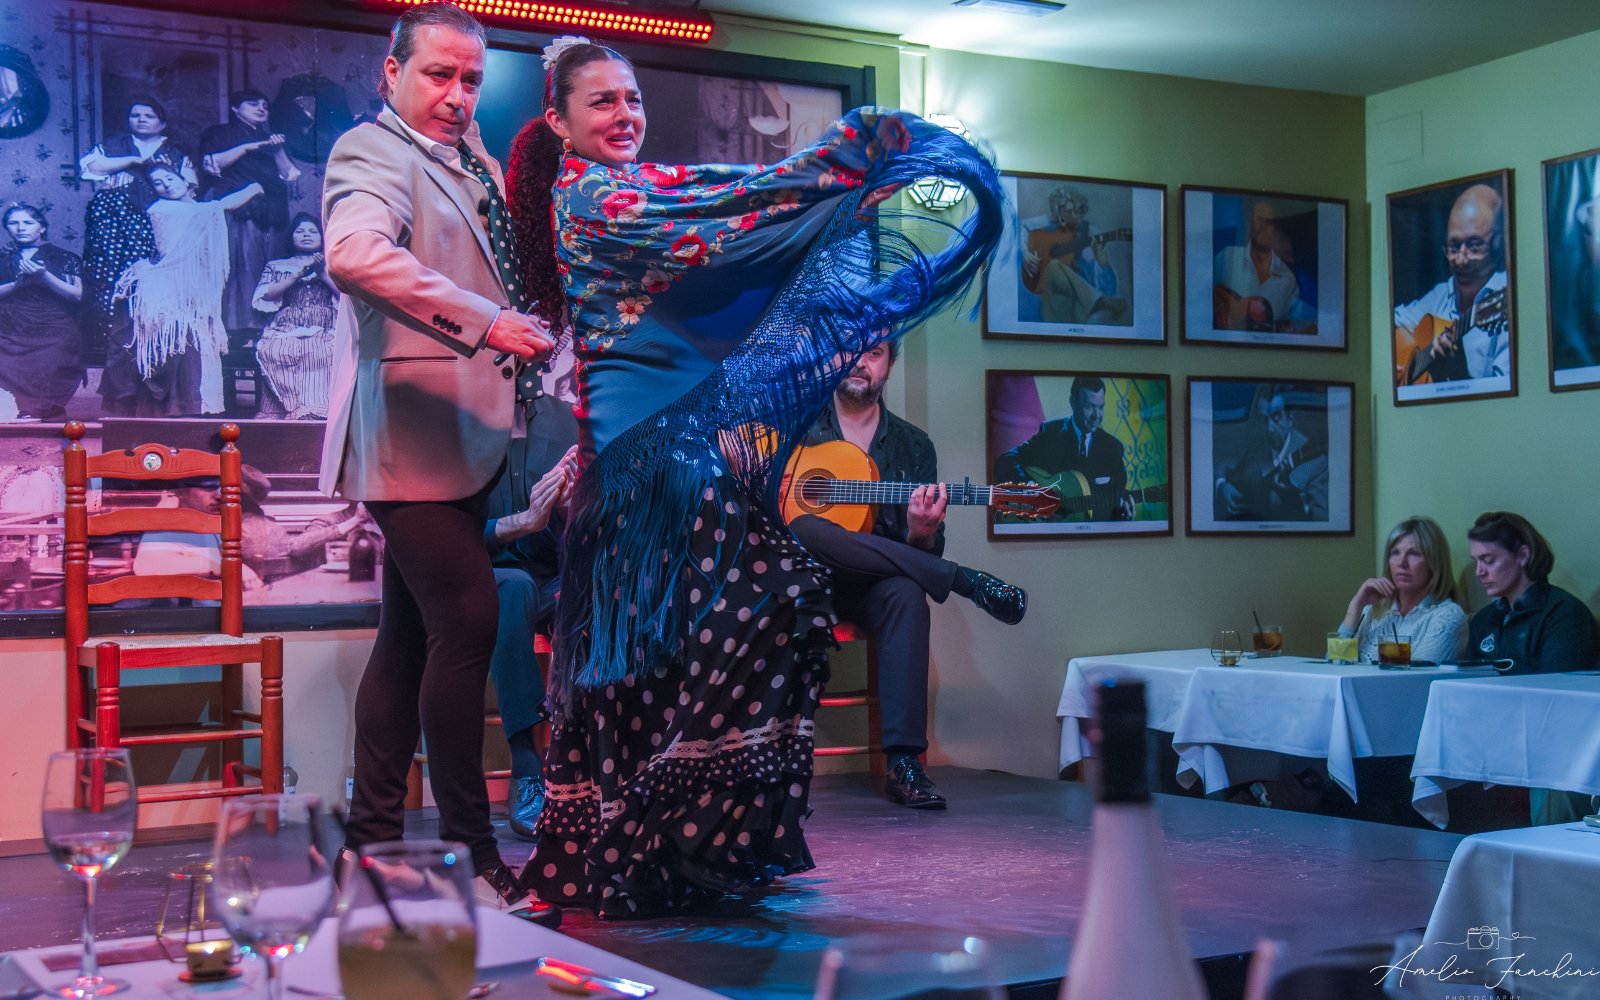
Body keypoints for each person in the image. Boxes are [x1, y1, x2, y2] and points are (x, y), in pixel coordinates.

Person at [506, 36, 1000, 917]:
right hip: (645, 479)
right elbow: (731, 208)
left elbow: (720, 221)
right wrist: (842, 162)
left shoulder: (639, 192)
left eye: (632, 99)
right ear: (560, 122)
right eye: (602, 103)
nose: (625, 116)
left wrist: (840, 185)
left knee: (745, 625)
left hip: (681, 470)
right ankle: (648, 855)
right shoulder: (591, 195)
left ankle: (689, 855)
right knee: (658, 664)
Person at [318, 2, 556, 908]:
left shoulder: (475, 163)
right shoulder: (369, 153)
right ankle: (470, 854)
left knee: (409, 635)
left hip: (465, 436)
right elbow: (356, 254)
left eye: (470, 80)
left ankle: (366, 850)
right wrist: (487, 320)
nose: (457, 96)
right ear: (391, 72)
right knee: (468, 620)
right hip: (406, 438)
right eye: (438, 75)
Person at [792, 340, 1025, 809]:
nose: (859, 360)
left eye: (874, 352)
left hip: (870, 585)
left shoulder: (914, 446)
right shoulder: (797, 427)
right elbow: (771, 509)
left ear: (890, 365)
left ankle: (903, 763)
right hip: (802, 579)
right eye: (850, 349)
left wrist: (921, 533)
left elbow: (919, 548)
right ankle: (961, 580)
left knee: (904, 593)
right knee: (807, 525)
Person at [484, 387, 580, 841]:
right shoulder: (460, 419)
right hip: (489, 573)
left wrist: (570, 506)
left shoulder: (566, 419)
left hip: (554, 572)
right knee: (514, 588)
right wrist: (515, 524)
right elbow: (444, 526)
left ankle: (584, 766)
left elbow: (598, 516)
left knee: (593, 595)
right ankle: (527, 769)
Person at [1465, 511, 1600, 824]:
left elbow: (1559, 701)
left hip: (1553, 744)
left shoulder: (1564, 614)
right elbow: (1469, 687)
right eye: (1476, 562)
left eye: (1489, 559)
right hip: (1491, 736)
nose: (1480, 572)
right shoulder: (1484, 620)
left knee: (1553, 782)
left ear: (1523, 555)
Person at [114, 163, 263, 416]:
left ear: (185, 180)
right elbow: (222, 206)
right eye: (158, 183)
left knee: (199, 341)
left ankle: (199, 406)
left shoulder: (198, 209)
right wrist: (254, 187)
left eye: (169, 178)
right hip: (170, 286)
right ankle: (177, 406)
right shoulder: (163, 209)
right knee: (179, 342)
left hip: (195, 290)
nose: (166, 185)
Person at [199, 88, 301, 331]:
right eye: (252, 104)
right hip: (239, 210)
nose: (260, 108)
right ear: (235, 108)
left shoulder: (272, 138)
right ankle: (238, 327)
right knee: (241, 266)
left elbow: (290, 175)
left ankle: (268, 327)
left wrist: (276, 149)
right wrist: (247, 147)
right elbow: (212, 165)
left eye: (264, 105)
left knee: (268, 266)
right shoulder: (220, 133)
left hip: (272, 212)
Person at [1395, 184, 1510, 385]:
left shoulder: (1506, 295)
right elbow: (1393, 321)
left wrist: (1457, 374)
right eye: (1454, 247)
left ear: (1498, 244)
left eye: (1474, 246)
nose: (1461, 259)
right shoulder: (1442, 294)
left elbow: (1507, 397)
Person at [992, 375, 1132, 521]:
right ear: (1073, 402)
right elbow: (1006, 460)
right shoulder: (1051, 432)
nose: (1096, 416)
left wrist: (1121, 513)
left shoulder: (1113, 448)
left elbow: (1117, 497)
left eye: (1101, 407)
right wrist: (1031, 488)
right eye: (1089, 406)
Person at [1334, 516, 1467, 664]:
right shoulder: (1372, 612)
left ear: (1434, 562)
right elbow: (1335, 666)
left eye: (1414, 553)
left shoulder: (1447, 616)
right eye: (1395, 553)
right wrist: (1354, 608)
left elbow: (1412, 680)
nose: (1402, 563)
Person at [0, 205, 84, 422]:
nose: (20, 228)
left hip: (53, 326)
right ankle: (17, 410)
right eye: (13, 223)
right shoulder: (2, 258)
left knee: (56, 354)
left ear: (42, 227)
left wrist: (44, 276)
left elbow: (76, 296)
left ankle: (38, 409)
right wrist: (17, 284)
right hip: (11, 325)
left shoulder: (64, 257)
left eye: (28, 222)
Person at [252, 213, 340, 419]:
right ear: (291, 237)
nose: (306, 235)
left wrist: (322, 274)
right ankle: (288, 409)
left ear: (322, 237)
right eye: (300, 231)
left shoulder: (333, 264)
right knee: (275, 350)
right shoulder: (276, 266)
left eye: (312, 231)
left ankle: (316, 411)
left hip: (324, 326)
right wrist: (296, 275)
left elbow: (345, 297)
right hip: (286, 326)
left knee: (322, 351)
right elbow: (266, 295)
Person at [1214, 383, 1328, 521]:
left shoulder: (1318, 463)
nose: (1269, 429)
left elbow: (1322, 522)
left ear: (1290, 419)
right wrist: (1221, 485)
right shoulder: (1253, 444)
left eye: (1276, 417)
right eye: (1263, 419)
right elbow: (1222, 464)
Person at [1021, 184, 1128, 325]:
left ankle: (1099, 301)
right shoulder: (1043, 232)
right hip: (1055, 305)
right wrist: (1025, 253)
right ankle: (1100, 301)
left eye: (1076, 211)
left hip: (1082, 310)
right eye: (1063, 210)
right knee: (1053, 266)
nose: (1070, 217)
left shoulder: (1090, 237)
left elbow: (1109, 290)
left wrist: (1103, 264)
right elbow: (1018, 227)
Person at [1213, 197, 1312, 333]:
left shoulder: (1288, 279)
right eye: (1261, 220)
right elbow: (1197, 300)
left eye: (1271, 222)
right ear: (1250, 222)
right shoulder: (1227, 257)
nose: (1267, 227)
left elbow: (1299, 325)